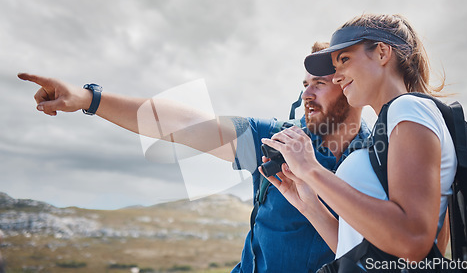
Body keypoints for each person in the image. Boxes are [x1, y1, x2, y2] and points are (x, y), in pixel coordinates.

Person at [18, 41, 370, 273]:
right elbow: (184, 123)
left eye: (320, 83)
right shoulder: (273, 139)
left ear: (350, 86)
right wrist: (88, 99)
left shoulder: (378, 160)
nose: (306, 93)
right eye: (304, 83)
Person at [262, 13, 456, 269]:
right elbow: (361, 250)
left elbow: (413, 240)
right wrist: (310, 204)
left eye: (344, 60)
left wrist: (312, 169)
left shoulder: (409, 109)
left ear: (382, 53)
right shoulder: (391, 125)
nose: (337, 76)